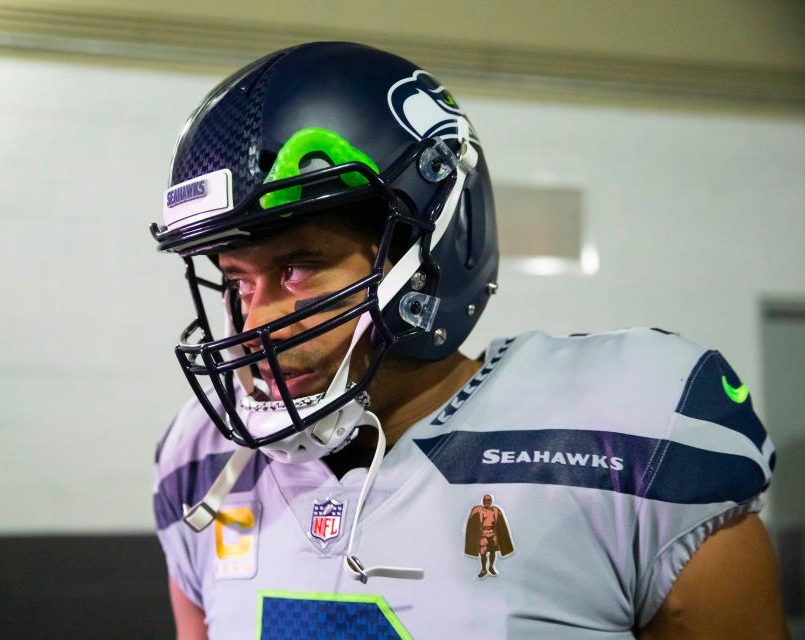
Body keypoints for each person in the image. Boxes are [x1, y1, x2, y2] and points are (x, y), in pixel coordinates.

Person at [150, 42, 789, 639]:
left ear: (431, 255)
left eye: (298, 268)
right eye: (237, 281)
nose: (256, 321)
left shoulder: (628, 437)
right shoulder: (199, 462)